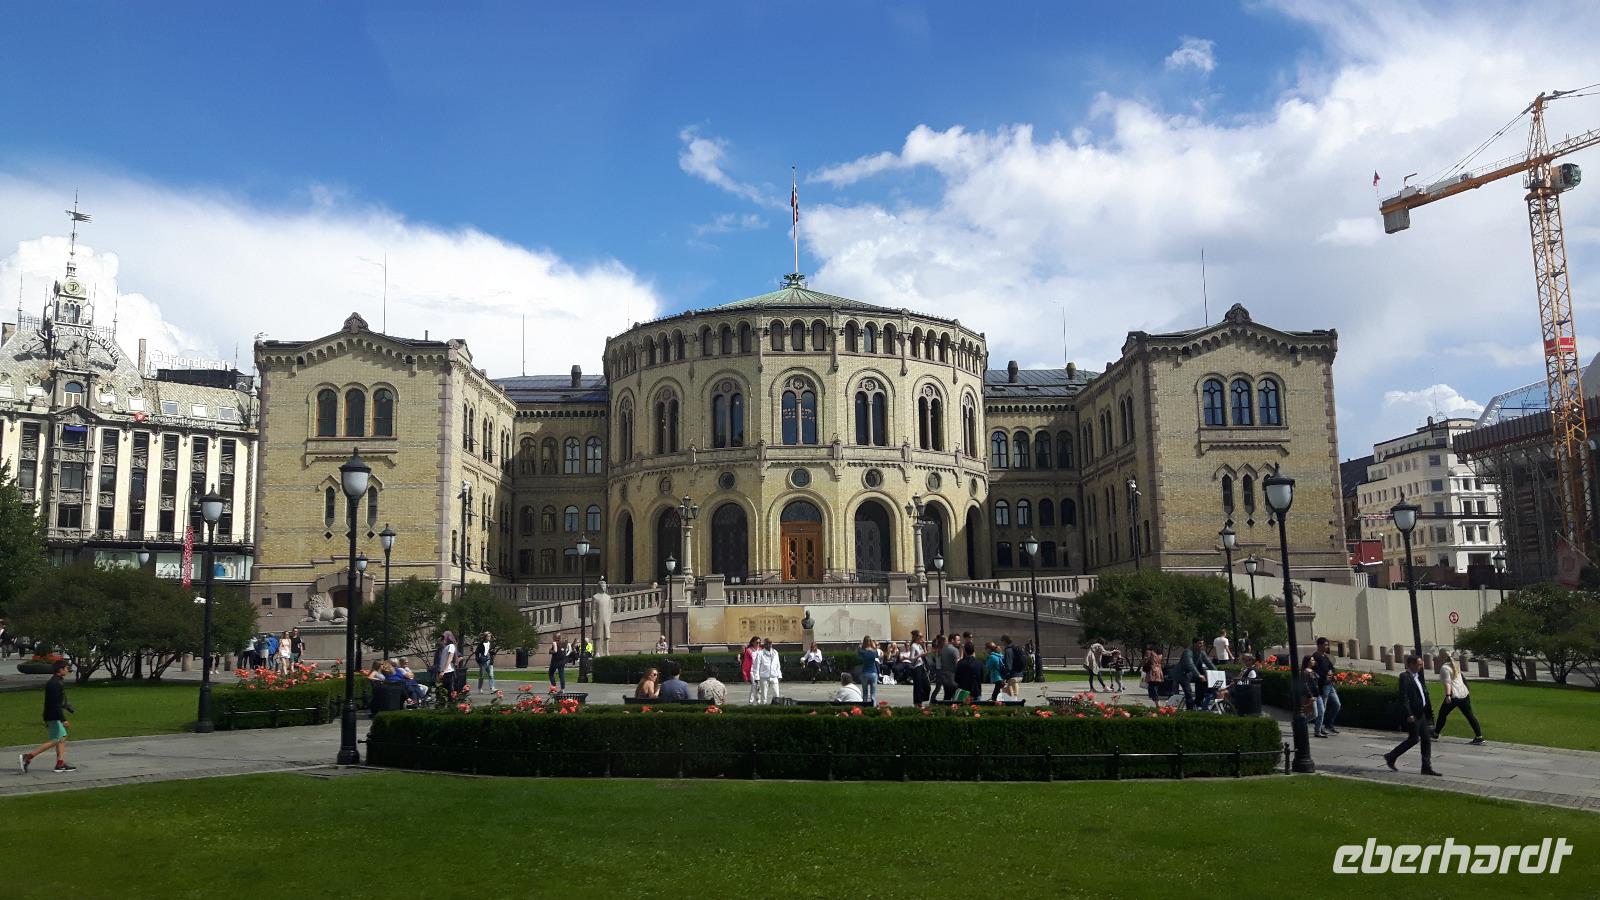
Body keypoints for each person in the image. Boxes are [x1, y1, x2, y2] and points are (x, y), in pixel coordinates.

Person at [1384, 654, 1441, 776]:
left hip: (1421, 713)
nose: (1421, 667)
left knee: (1426, 739)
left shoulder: (1418, 677)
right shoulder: (1405, 677)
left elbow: (1422, 694)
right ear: (1411, 664)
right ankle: (1391, 756)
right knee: (1413, 739)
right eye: (1418, 664)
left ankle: (1426, 767)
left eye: (1421, 664)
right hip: (1413, 714)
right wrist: (1409, 714)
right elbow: (1403, 697)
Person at [20, 658, 76, 773]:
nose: (68, 670)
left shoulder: (57, 681)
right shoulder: (54, 683)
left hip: (52, 714)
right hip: (53, 715)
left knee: (62, 738)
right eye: (66, 668)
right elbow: (54, 704)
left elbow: (56, 702)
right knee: (57, 739)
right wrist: (63, 719)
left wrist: (65, 706)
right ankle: (28, 757)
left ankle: (60, 764)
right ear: (60, 670)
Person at [1435, 654, 1485, 744]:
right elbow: (1462, 679)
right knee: (1470, 715)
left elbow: (1448, 683)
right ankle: (1479, 736)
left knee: (1442, 714)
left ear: (1442, 658)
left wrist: (1448, 695)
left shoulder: (1445, 668)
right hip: (1463, 694)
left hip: (1454, 695)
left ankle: (1435, 734)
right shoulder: (1455, 665)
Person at [1303, 637, 1341, 737]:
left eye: (1327, 645)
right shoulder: (1316, 656)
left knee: (1337, 705)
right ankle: (1319, 728)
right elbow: (1315, 671)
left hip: (1330, 685)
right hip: (1323, 686)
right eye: (1325, 645)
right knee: (1321, 710)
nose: (1327, 647)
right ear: (1319, 645)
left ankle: (1328, 724)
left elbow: (1331, 667)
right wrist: (1325, 676)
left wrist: (1331, 671)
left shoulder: (1325, 656)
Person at [1177, 638, 1214, 710]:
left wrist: (1217, 672)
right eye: (1200, 643)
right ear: (1194, 644)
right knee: (1189, 692)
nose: (1202, 645)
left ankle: (1198, 703)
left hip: (1192, 674)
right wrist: (1199, 675)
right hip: (1183, 674)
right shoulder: (1188, 652)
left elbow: (1209, 663)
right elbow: (1190, 665)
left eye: (1202, 643)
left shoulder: (1201, 653)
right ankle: (1190, 710)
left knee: (1203, 684)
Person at [751, 638, 783, 704]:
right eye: (768, 643)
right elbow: (756, 666)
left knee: (776, 694)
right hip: (764, 677)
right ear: (765, 644)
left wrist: (779, 675)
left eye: (771, 643)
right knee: (764, 696)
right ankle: (764, 707)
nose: (770, 644)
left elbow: (778, 665)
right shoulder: (760, 653)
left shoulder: (775, 652)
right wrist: (757, 677)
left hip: (774, 676)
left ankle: (776, 707)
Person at [907, 630, 930, 706]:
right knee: (918, 686)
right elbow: (911, 659)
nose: (922, 638)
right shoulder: (913, 646)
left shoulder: (919, 645)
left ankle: (920, 700)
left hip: (922, 666)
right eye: (920, 636)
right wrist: (920, 655)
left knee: (927, 686)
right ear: (916, 637)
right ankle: (918, 703)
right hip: (916, 668)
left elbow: (925, 654)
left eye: (922, 636)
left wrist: (924, 646)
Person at [857, 636, 881, 706]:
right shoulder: (874, 651)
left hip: (864, 672)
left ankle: (865, 706)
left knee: (865, 693)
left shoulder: (862, 651)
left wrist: (859, 646)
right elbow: (877, 656)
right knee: (873, 693)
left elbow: (859, 656)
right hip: (873, 672)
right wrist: (874, 646)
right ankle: (873, 706)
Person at [937, 634, 961, 702]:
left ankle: (945, 707)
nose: (959, 642)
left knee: (947, 696)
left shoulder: (943, 649)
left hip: (944, 676)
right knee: (955, 697)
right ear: (952, 640)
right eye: (958, 640)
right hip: (953, 677)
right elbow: (957, 664)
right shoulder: (954, 650)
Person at [434, 630, 459, 695]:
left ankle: (451, 701)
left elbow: (449, 659)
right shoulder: (445, 647)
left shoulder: (451, 646)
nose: (443, 639)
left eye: (444, 637)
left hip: (448, 671)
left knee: (448, 691)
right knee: (441, 691)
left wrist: (443, 671)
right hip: (442, 671)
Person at [740, 636, 760, 703]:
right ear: (753, 643)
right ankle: (751, 699)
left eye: (759, 642)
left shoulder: (760, 650)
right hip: (752, 670)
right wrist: (745, 672)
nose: (758, 644)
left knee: (759, 685)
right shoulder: (749, 650)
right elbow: (746, 662)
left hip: (759, 670)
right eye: (757, 642)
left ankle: (758, 698)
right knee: (754, 684)